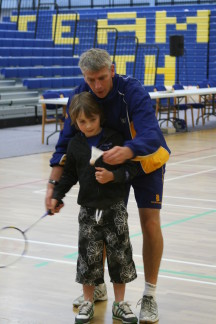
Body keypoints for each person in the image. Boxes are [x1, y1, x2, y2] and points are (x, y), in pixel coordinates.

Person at [46, 48, 171, 323]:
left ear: (112, 70)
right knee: (104, 219)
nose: (97, 86)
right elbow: (66, 140)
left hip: (146, 159)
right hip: (112, 164)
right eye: (91, 80)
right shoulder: (81, 93)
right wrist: (53, 186)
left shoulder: (132, 91)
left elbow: (152, 134)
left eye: (102, 78)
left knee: (149, 222)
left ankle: (149, 295)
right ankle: (97, 286)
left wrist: (128, 150)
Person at [50, 92, 138, 324]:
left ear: (100, 116)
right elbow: (68, 175)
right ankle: (88, 302)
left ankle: (120, 304)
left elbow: (132, 170)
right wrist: (57, 196)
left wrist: (113, 176)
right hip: (88, 210)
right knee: (88, 258)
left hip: (115, 208)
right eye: (82, 122)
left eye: (92, 120)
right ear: (75, 122)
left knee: (120, 256)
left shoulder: (115, 138)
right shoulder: (75, 145)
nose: (88, 125)